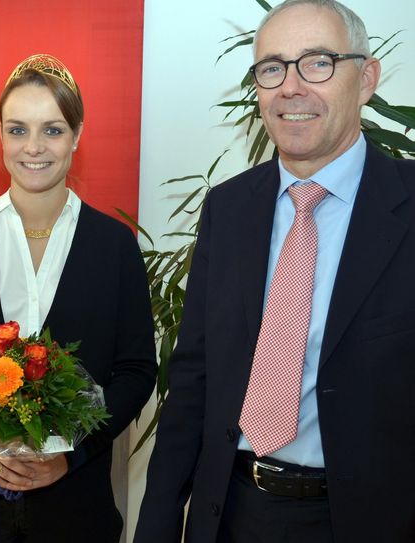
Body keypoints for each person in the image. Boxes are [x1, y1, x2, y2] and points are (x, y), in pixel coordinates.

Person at [135, 1, 415, 542]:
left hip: (370, 520)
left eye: (318, 62)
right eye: (272, 67)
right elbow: (194, 376)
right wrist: (158, 526)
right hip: (233, 513)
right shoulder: (229, 208)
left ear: (367, 78)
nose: (291, 86)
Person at [0, 54, 157, 543]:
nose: (33, 147)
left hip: (75, 508)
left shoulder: (113, 245)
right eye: (17, 130)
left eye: (52, 130)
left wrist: (71, 455)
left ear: (77, 135)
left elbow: (138, 370)